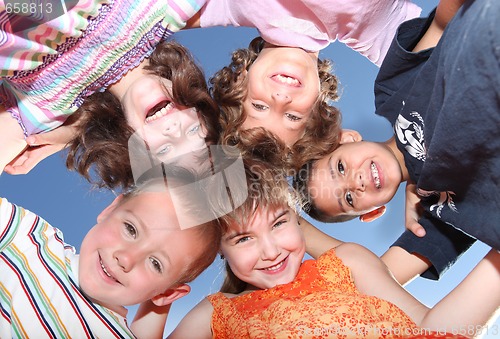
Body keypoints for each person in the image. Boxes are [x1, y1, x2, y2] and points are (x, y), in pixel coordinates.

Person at [166, 147, 500, 339]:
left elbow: (429, 330)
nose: (270, 251)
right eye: (243, 238)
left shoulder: (346, 262)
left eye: (280, 223)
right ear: (218, 249)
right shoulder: (218, 311)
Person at [294, 0, 499, 284]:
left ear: (347, 139)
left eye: (340, 167)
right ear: (373, 212)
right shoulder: (437, 212)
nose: (355, 183)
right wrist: (289, 223)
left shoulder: (391, 94)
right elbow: (375, 282)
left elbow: (444, 22)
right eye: (349, 198)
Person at [0, 0, 221, 190]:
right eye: (194, 132)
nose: (174, 131)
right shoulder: (171, 9)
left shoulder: (44, 105)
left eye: (165, 149)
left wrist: (81, 128)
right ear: (199, 109)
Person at [185, 0, 421, 168]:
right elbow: (440, 65)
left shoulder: (232, 6)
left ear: (240, 79)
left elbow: (155, 20)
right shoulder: (372, 31)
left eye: (259, 106)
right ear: (318, 106)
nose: (280, 100)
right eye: (292, 117)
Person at [0, 162, 223, 338]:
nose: (126, 258)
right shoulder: (28, 235)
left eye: (156, 263)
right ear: (111, 209)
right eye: (131, 229)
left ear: (166, 294)